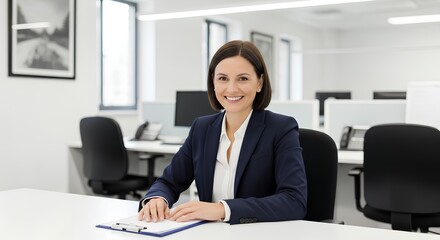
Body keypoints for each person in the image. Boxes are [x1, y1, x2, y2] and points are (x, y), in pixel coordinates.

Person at [138, 40, 307, 225]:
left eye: (242, 78)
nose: (232, 88)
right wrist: (157, 199)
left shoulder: (281, 128)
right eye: (223, 78)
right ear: (213, 82)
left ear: (259, 82)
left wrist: (222, 209)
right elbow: (169, 182)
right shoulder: (201, 129)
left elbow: (294, 201)